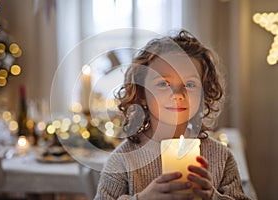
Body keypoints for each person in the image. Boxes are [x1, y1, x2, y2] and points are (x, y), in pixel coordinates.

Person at [94, 30, 250, 200]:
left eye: (190, 84)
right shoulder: (123, 161)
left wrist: (212, 196)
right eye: (163, 83)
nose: (177, 94)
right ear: (141, 95)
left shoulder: (221, 157)